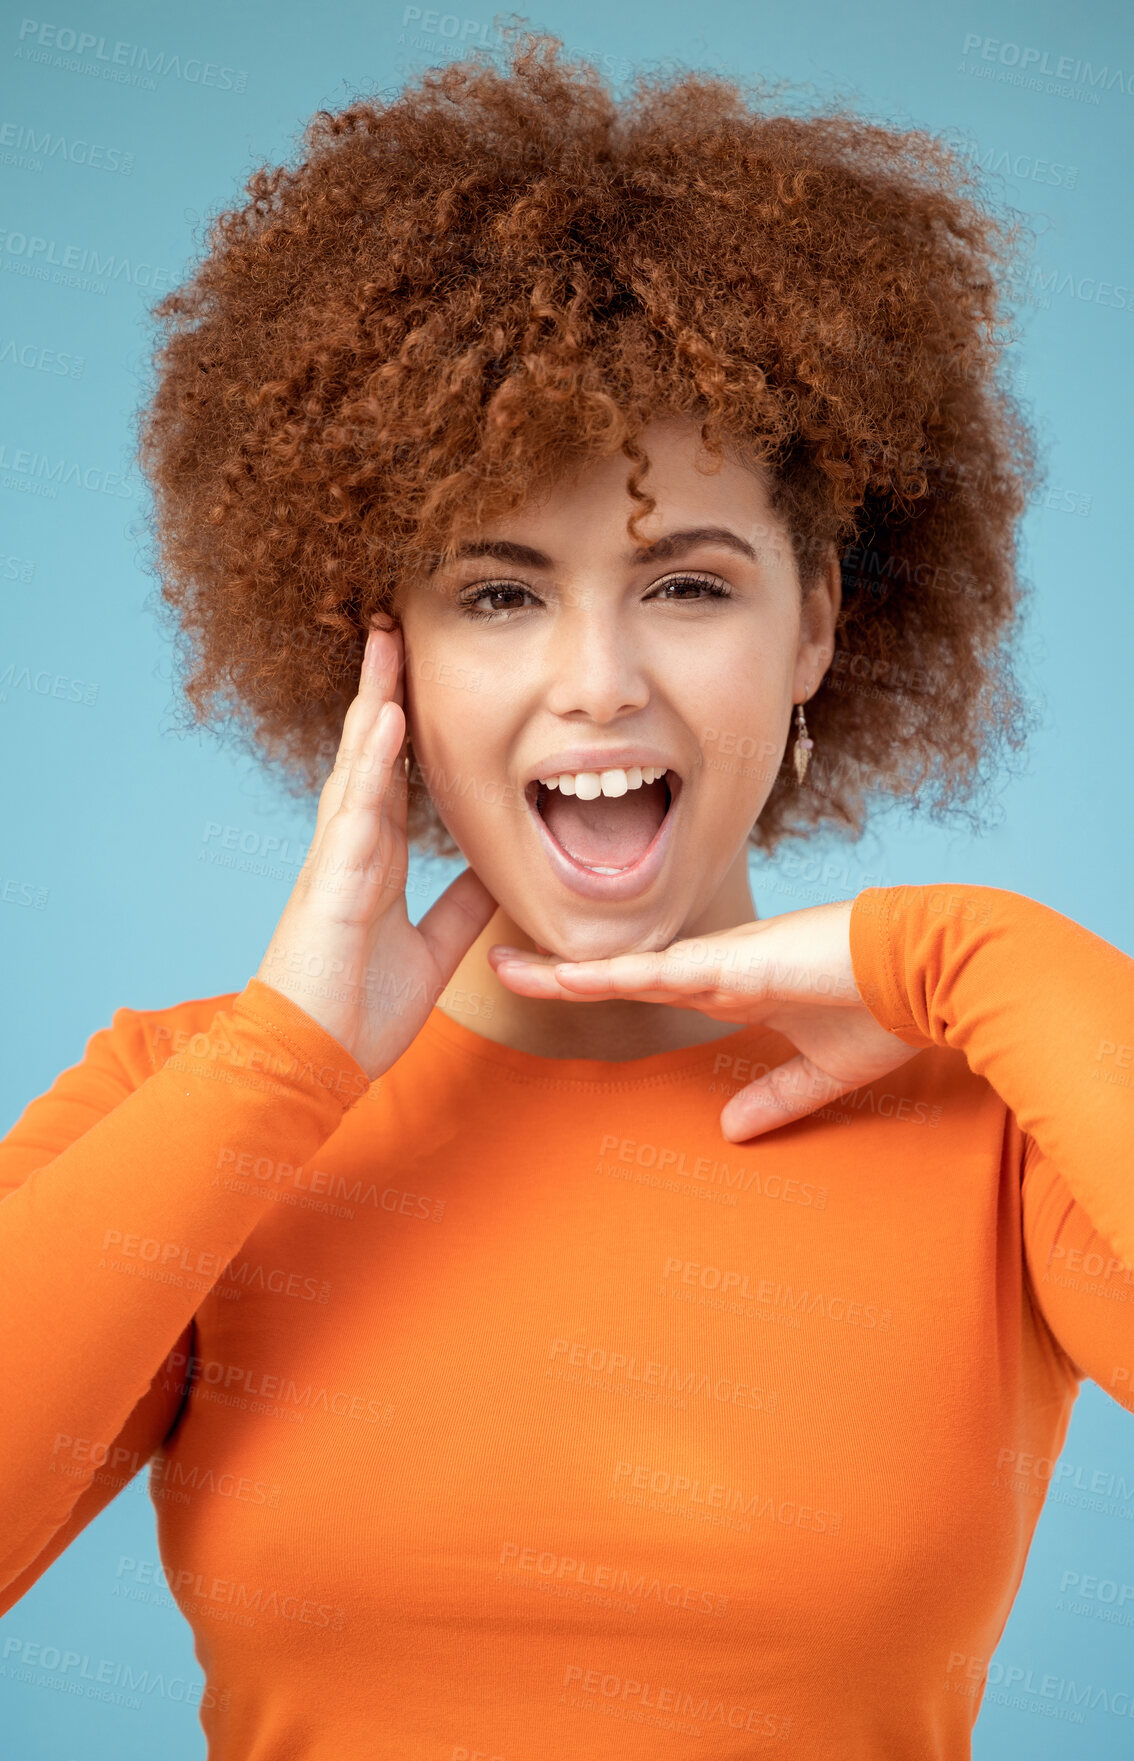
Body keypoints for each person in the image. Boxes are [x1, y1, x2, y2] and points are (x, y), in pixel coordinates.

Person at [2, 28, 1131, 1761]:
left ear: (816, 620)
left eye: (685, 583)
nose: (597, 682)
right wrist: (280, 1071)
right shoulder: (192, 1104)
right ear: (380, 646)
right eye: (498, 594)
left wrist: (971, 950)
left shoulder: (998, 1124)